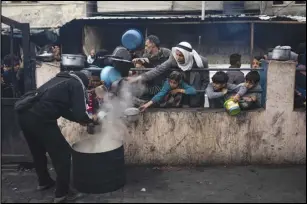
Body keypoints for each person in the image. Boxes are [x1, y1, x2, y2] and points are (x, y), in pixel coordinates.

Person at [15, 70, 98, 203]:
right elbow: (79, 112)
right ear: (84, 82)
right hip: (41, 119)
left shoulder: (60, 80)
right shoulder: (77, 84)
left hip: (24, 115)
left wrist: (80, 120)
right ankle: (62, 193)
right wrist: (89, 119)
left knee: (38, 152)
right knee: (63, 154)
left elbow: (62, 109)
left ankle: (44, 181)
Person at [129, 41, 209, 107]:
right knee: (181, 102)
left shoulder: (201, 62)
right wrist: (139, 78)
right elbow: (158, 69)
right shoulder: (173, 59)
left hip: (194, 79)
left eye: (180, 55)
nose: (177, 57)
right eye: (177, 54)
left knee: (195, 102)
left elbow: (205, 80)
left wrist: (200, 92)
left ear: (187, 55)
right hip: (180, 79)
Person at [132, 35, 171, 99]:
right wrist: (139, 64)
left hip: (164, 82)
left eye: (146, 46)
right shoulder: (146, 55)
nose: (145, 48)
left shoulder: (166, 53)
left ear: (153, 44)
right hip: (151, 81)